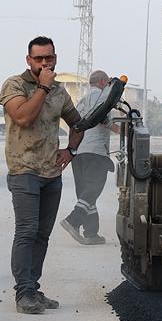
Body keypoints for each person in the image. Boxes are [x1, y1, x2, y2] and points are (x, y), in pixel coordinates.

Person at [0, 36, 84, 315]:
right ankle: (23, 293)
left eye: (49, 57)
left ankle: (33, 288)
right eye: (39, 59)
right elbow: (23, 117)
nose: (45, 63)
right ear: (29, 60)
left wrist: (71, 150)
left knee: (42, 235)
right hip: (23, 170)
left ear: (55, 58)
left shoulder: (60, 92)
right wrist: (43, 87)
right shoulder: (14, 85)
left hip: (51, 172)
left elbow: (78, 123)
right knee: (26, 231)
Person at [61, 70, 115, 245]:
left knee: (86, 194)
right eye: (107, 83)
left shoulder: (82, 100)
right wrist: (128, 130)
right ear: (102, 82)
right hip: (95, 152)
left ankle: (91, 233)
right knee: (93, 188)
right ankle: (73, 220)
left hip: (79, 151)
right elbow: (102, 120)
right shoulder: (99, 96)